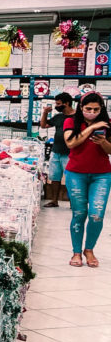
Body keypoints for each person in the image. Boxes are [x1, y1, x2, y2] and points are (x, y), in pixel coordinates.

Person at [62, 91, 111, 267]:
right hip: (76, 174)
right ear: (81, 107)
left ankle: (89, 249)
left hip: (102, 175)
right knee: (79, 213)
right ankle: (76, 252)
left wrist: (103, 142)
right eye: (88, 108)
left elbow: (110, 150)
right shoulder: (70, 122)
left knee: (97, 215)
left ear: (101, 108)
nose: (92, 111)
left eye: (96, 109)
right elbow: (71, 143)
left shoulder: (108, 124)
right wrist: (90, 127)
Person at [39, 92, 75, 207]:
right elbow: (43, 125)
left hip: (70, 153)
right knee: (55, 177)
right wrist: (45, 112)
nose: (56, 106)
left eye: (58, 104)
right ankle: (54, 200)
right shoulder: (58, 117)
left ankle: (74, 203)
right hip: (56, 151)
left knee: (72, 178)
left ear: (67, 103)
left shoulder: (77, 117)